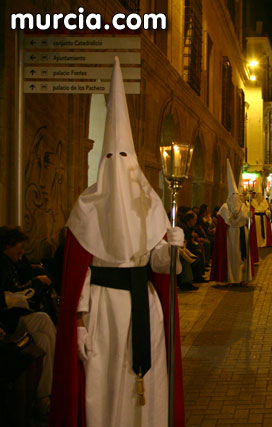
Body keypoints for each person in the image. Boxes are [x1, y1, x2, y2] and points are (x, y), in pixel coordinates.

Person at [50, 57, 185, 427]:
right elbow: (79, 275)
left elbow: (159, 265)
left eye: (124, 157)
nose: (118, 163)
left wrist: (172, 248)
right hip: (103, 313)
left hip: (145, 305)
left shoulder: (152, 203)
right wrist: (78, 323)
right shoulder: (85, 207)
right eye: (111, 156)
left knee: (146, 384)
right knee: (105, 384)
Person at [1, 226, 57, 415]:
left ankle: (43, 397)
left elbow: (25, 271)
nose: (22, 251)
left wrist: (35, 274)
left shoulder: (13, 262)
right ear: (7, 246)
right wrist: (34, 283)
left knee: (42, 341)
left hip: (15, 317)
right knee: (43, 320)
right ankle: (51, 392)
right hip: (7, 320)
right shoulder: (2, 264)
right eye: (19, 247)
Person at [211, 160, 254, 285]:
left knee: (242, 256)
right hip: (230, 235)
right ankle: (231, 278)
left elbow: (247, 220)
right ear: (229, 196)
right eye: (233, 195)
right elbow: (222, 222)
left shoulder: (244, 206)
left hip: (241, 234)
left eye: (237, 195)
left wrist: (249, 216)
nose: (235, 198)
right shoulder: (225, 207)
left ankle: (242, 278)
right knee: (231, 257)